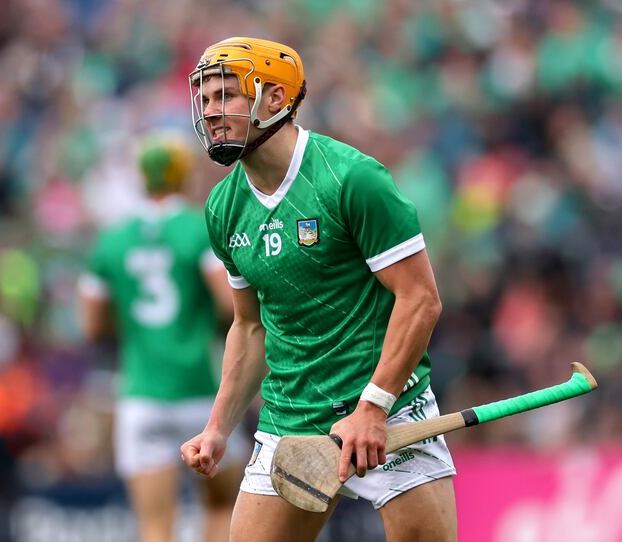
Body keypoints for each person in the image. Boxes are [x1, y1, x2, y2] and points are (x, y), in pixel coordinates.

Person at [180, 37, 458, 542]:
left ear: (274, 100)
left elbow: (420, 300)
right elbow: (248, 326)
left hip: (389, 417)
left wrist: (373, 407)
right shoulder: (223, 207)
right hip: (290, 421)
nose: (211, 112)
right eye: (205, 99)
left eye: (226, 96)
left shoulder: (353, 179)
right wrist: (219, 426)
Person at [77, 133, 246, 542]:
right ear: (183, 174)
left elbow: (93, 325)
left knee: (155, 525)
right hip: (201, 393)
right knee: (222, 506)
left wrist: (137, 329)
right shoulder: (196, 230)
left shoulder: (112, 241)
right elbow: (230, 305)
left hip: (140, 394)